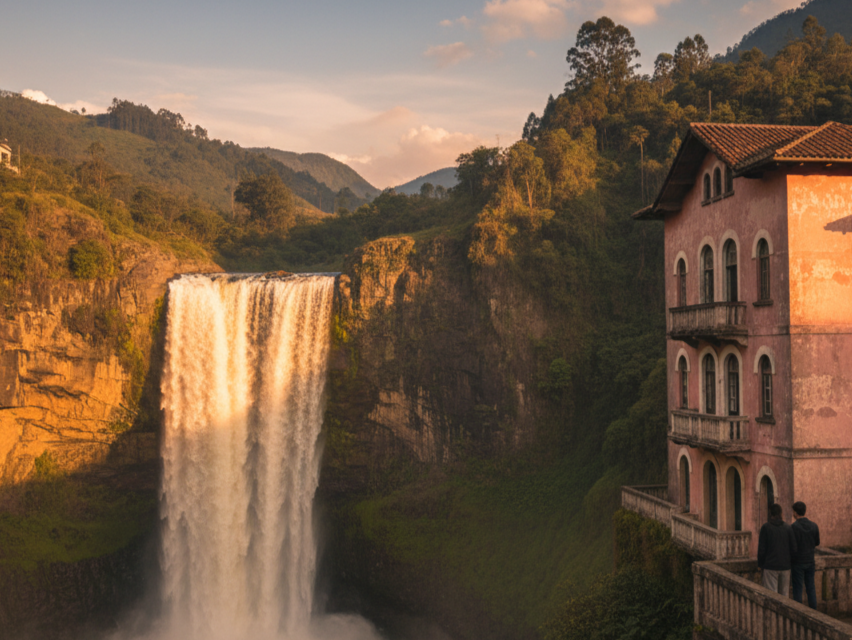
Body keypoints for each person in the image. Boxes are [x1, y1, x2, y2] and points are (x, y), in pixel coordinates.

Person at [757, 503, 797, 596]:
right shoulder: (788, 528)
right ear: (781, 514)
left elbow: (762, 549)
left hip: (770, 566)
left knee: (771, 596)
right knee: (784, 596)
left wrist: (760, 564)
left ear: (771, 514)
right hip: (785, 567)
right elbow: (794, 549)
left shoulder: (766, 528)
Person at [791, 501, 820, 609]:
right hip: (810, 561)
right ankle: (814, 611)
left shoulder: (793, 527)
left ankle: (798, 613)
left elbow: (792, 545)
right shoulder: (814, 526)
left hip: (797, 562)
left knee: (797, 589)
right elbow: (817, 542)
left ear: (795, 512)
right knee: (811, 588)